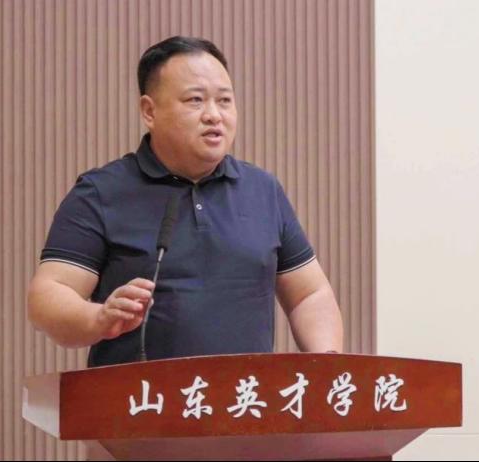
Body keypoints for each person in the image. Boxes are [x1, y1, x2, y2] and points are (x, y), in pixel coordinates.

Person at [27, 36, 343, 367]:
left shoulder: (262, 190)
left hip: (246, 396)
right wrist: (99, 318)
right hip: (141, 397)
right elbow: (48, 297)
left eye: (224, 100)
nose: (214, 115)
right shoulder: (101, 192)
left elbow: (309, 295)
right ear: (149, 111)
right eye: (195, 100)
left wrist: (328, 364)